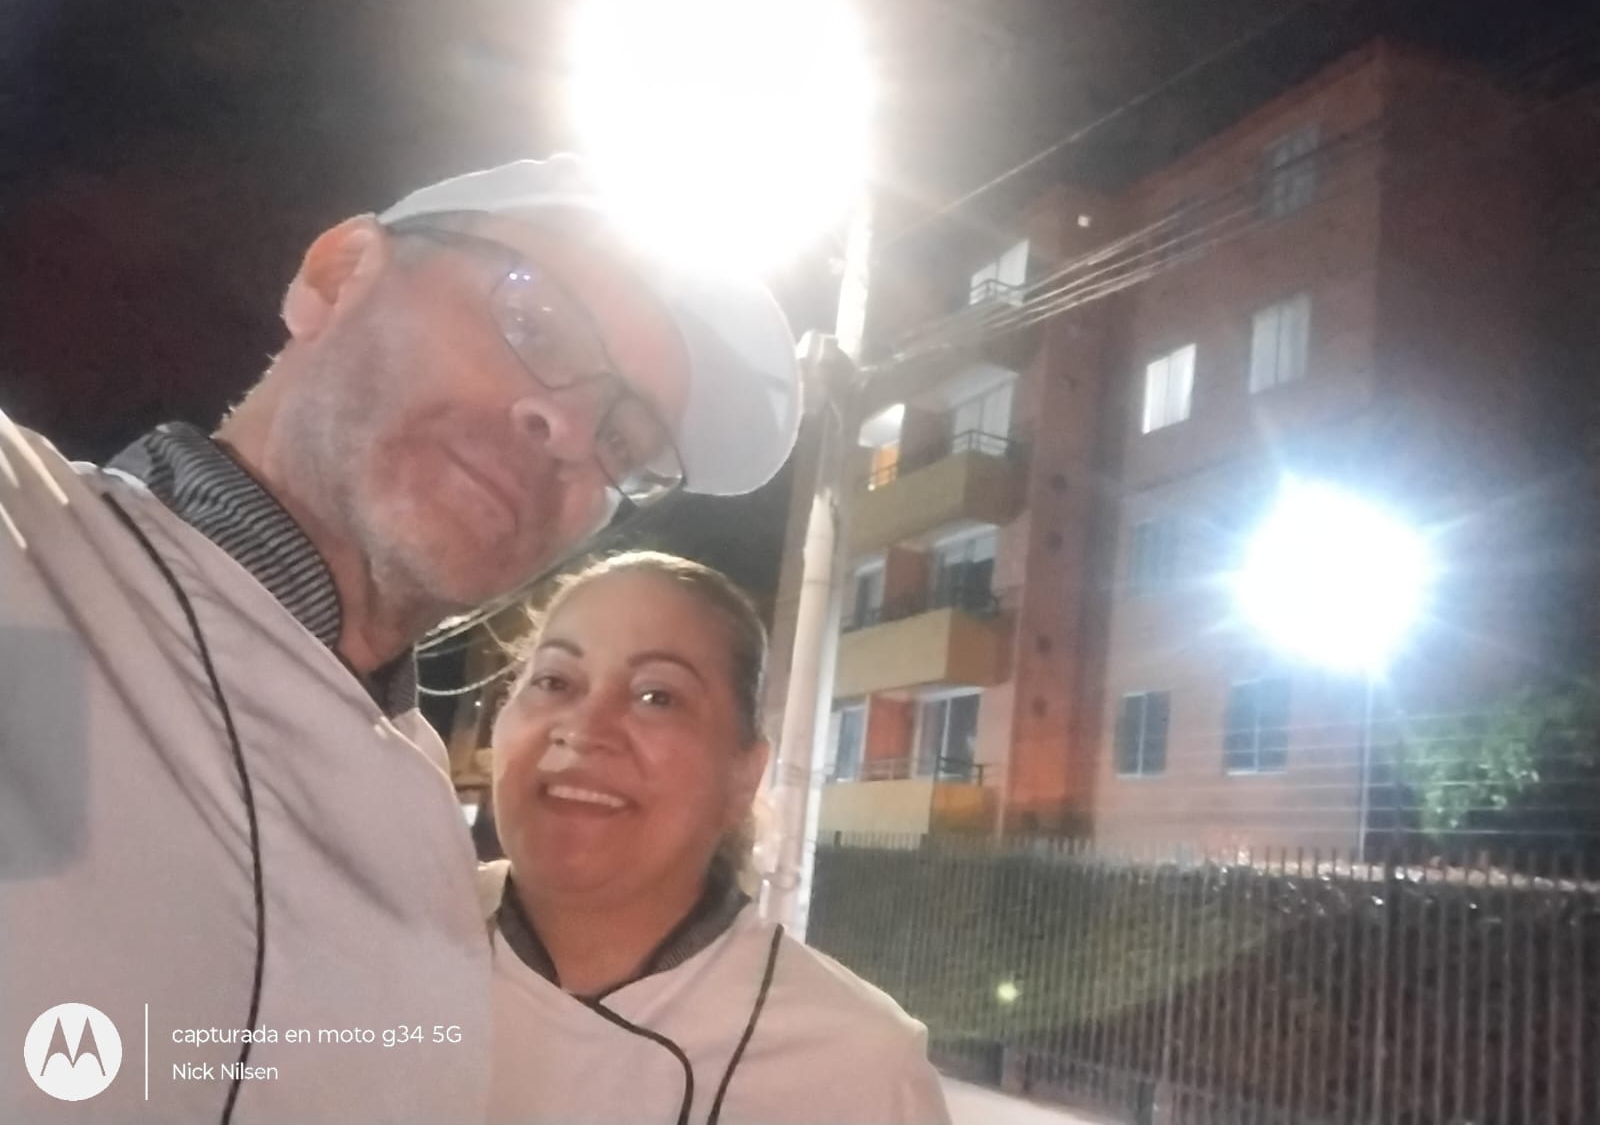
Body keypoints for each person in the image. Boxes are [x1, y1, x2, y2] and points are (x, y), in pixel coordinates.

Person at [0, 157, 799, 1124]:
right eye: (536, 323)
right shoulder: (30, 546)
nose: (568, 425)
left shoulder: (432, 851)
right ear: (339, 275)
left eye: (624, 442)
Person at [481, 551, 953, 1125]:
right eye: (554, 681)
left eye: (657, 696)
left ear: (742, 779)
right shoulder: (391, 937)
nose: (583, 730)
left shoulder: (858, 1071)